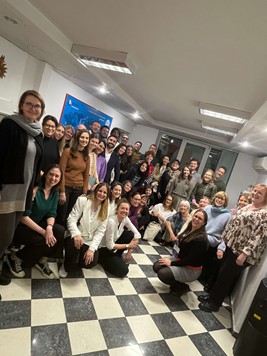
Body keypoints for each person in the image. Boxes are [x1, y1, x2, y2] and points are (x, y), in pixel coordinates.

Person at [198, 184, 267, 312]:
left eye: (260, 193)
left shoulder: (264, 214)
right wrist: (224, 239)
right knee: (221, 274)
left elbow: (258, 237)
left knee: (225, 278)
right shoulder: (248, 206)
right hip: (231, 246)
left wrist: (244, 254)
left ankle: (214, 303)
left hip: (240, 252)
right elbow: (233, 223)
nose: (256, 194)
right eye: (255, 191)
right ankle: (211, 296)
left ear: (265, 197)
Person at [0, 89, 44, 288]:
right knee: (3, 237)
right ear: (21, 105)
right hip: (6, 191)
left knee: (7, 238)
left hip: (23, 193)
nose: (33, 108)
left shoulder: (37, 133)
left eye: (37, 106)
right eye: (29, 104)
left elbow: (35, 165)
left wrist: (34, 186)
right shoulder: (9, 125)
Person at [6, 165, 64, 279]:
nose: (53, 178)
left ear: (60, 179)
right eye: (51, 174)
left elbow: (52, 213)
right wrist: (44, 232)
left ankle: (42, 259)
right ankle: (15, 257)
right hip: (21, 227)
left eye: (57, 176)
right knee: (43, 240)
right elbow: (24, 216)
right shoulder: (35, 189)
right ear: (45, 174)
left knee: (60, 231)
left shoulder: (54, 192)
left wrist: (49, 228)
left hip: (36, 224)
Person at [153, 209, 208, 297]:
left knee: (163, 274)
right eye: (196, 216)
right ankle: (176, 281)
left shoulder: (201, 239)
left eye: (200, 218)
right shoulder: (190, 228)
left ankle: (182, 287)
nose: (196, 219)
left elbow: (189, 260)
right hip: (180, 259)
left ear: (204, 223)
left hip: (191, 269)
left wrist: (171, 263)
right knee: (156, 266)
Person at [59, 182, 110, 278]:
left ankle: (78, 259)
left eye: (105, 193)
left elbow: (100, 232)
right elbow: (71, 219)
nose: (102, 194)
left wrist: (91, 249)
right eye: (100, 191)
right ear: (95, 190)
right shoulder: (83, 200)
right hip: (76, 235)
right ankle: (66, 264)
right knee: (73, 246)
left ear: (107, 195)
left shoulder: (106, 209)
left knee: (89, 263)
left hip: (89, 240)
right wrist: (76, 234)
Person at [99, 199, 140, 277]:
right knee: (123, 271)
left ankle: (117, 255)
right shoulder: (111, 221)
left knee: (130, 234)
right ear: (117, 209)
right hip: (102, 248)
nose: (124, 211)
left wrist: (129, 252)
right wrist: (128, 246)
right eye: (122, 208)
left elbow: (137, 234)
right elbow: (110, 246)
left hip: (112, 245)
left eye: (126, 209)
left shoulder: (125, 219)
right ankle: (102, 260)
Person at [57, 129, 90, 226]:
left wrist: (84, 193)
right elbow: (61, 172)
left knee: (71, 217)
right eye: (82, 137)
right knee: (61, 216)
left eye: (87, 138)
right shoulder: (67, 152)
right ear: (77, 138)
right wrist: (62, 191)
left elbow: (86, 176)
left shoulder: (86, 156)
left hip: (78, 190)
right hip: (66, 188)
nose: (84, 140)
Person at [199, 191, 232, 285]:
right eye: (218, 197)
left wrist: (221, 247)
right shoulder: (207, 208)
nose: (219, 200)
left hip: (213, 239)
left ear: (225, 202)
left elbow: (226, 232)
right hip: (201, 234)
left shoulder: (228, 215)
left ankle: (201, 276)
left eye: (222, 199)